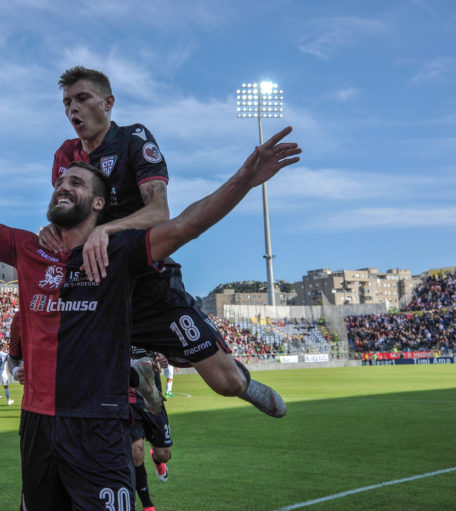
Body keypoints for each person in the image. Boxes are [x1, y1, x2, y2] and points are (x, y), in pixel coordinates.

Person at [0, 101, 299, 510]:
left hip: (99, 428)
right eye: (61, 181)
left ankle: (218, 378)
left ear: (99, 204)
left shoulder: (120, 252)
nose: (63, 185)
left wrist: (244, 178)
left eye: (77, 182)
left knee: (221, 380)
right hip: (37, 428)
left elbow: (185, 224)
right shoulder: (28, 249)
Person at [40, 66, 286, 418]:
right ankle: (138, 378)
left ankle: (241, 383)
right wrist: (50, 228)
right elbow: (68, 213)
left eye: (82, 98)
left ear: (108, 102)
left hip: (151, 279)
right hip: (102, 282)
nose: (72, 109)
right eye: (66, 103)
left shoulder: (132, 139)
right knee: (80, 374)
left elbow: (160, 211)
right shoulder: (65, 155)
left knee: (224, 383)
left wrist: (106, 230)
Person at [130, 349, 173, 511]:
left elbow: (163, 350)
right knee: (136, 450)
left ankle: (157, 459)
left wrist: (163, 356)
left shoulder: (148, 327)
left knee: (164, 454)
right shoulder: (119, 327)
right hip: (130, 399)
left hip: (153, 397)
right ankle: (147, 504)